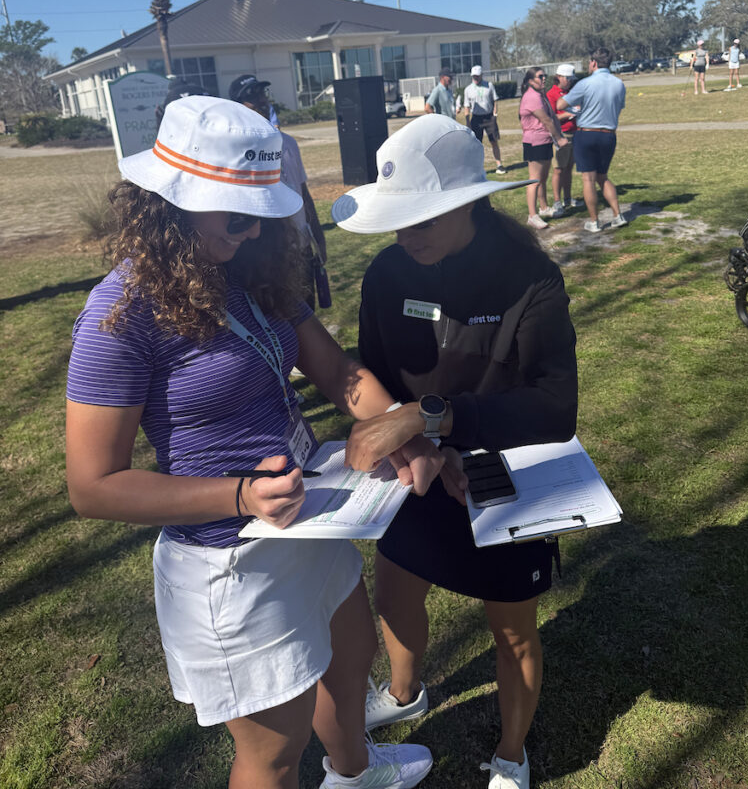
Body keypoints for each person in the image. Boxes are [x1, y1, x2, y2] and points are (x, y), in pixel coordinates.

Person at [65, 96, 436, 789]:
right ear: (170, 206)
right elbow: (93, 486)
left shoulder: (252, 273)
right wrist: (241, 495)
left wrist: (397, 425)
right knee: (273, 752)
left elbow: (338, 372)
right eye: (236, 216)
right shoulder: (120, 317)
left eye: (260, 215)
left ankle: (354, 774)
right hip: (231, 562)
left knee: (349, 657)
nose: (252, 231)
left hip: (309, 517)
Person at [332, 114, 578, 789]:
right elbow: (375, 377)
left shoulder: (531, 278)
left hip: (502, 475)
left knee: (513, 631)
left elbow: (555, 408)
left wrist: (437, 419)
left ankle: (511, 753)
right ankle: (405, 691)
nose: (405, 235)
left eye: (422, 219)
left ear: (469, 203)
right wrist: (417, 440)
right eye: (398, 220)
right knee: (395, 591)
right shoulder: (387, 274)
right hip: (415, 469)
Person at [229, 74, 327, 308]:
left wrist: (318, 237)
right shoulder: (236, 151)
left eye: (262, 94)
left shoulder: (289, 143)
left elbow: (303, 193)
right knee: (278, 315)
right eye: (252, 97)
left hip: (301, 247)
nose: (261, 101)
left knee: (307, 311)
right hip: (267, 252)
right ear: (238, 106)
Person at [558, 47, 627, 233]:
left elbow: (560, 104)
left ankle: (594, 221)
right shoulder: (619, 84)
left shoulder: (585, 83)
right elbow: (619, 106)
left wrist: (577, 108)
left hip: (587, 133)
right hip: (609, 134)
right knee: (603, 176)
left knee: (588, 179)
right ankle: (617, 215)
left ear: (594, 63)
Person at [518, 67, 568, 230]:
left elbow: (552, 117)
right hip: (535, 142)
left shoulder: (540, 94)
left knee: (542, 178)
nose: (544, 78)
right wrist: (559, 139)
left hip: (544, 140)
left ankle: (544, 207)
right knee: (534, 180)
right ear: (530, 81)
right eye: (540, 76)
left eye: (544, 75)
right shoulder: (532, 97)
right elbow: (546, 120)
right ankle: (532, 216)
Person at [546, 64, 581, 211]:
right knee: (559, 169)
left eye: (571, 79)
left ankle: (567, 198)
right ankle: (557, 200)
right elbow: (551, 117)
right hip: (561, 134)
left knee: (568, 168)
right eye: (567, 78)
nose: (570, 81)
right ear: (559, 77)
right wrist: (569, 114)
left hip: (574, 133)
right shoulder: (551, 94)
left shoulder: (571, 92)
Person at [463, 65, 506, 174]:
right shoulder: (468, 89)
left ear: (481, 75)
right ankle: (477, 168)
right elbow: (466, 106)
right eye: (474, 76)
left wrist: (495, 115)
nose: (476, 78)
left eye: (477, 76)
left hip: (489, 117)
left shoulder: (489, 85)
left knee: (494, 141)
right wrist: (467, 122)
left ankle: (499, 165)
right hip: (476, 118)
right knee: (476, 144)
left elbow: (495, 100)